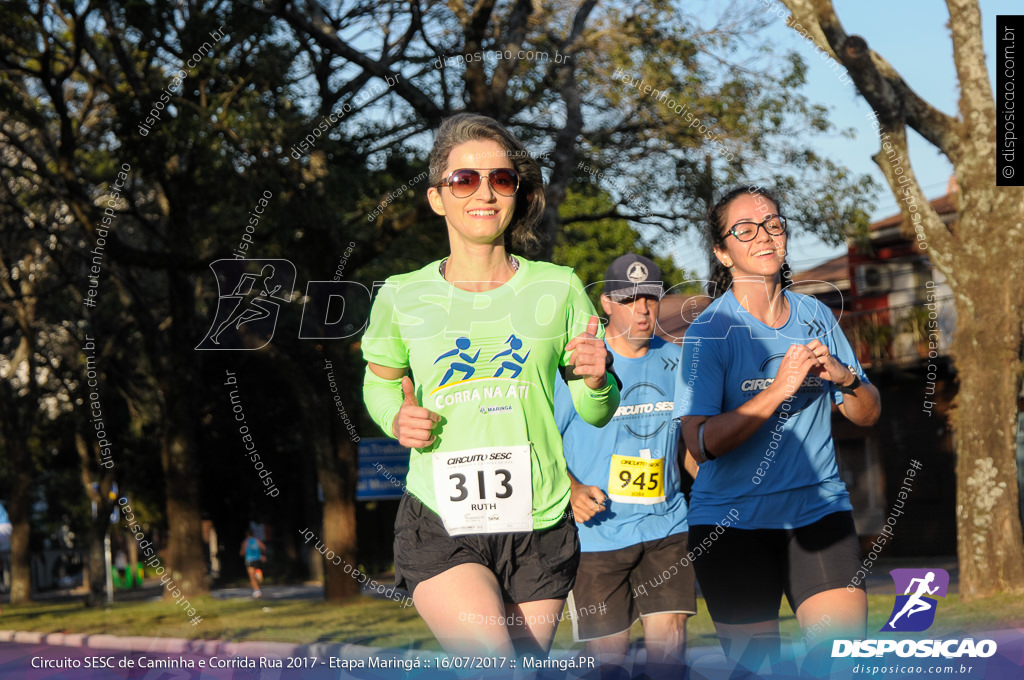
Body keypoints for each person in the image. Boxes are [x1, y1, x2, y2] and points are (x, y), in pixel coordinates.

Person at [361, 113, 620, 658]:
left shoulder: (559, 287)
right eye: (464, 180)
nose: (484, 192)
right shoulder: (402, 295)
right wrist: (394, 417)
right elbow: (381, 383)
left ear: (516, 191)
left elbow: (595, 411)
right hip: (441, 518)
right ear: (437, 198)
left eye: (501, 179)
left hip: (542, 523)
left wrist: (598, 378)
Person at [673, 185, 881, 674]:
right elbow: (699, 443)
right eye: (744, 229)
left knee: (841, 664)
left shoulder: (816, 317)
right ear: (723, 252)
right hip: (732, 524)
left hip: (818, 508)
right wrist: (776, 391)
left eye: (772, 224)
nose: (763, 236)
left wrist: (847, 379)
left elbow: (868, 415)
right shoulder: (710, 332)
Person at [555, 254, 696, 678]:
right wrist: (573, 490)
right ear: (605, 304)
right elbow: (540, 445)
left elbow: (689, 442)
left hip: (667, 526)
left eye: (650, 298)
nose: (642, 309)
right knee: (609, 663)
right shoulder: (578, 369)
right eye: (629, 298)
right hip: (598, 536)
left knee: (669, 659)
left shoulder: (679, 361)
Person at [240, 529, 265, 599]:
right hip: (257, 559)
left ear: (246, 535)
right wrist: (262, 554)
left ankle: (257, 591)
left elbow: (242, 552)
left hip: (249, 560)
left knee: (251, 576)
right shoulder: (257, 541)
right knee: (257, 572)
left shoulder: (245, 542)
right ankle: (259, 576)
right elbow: (263, 547)